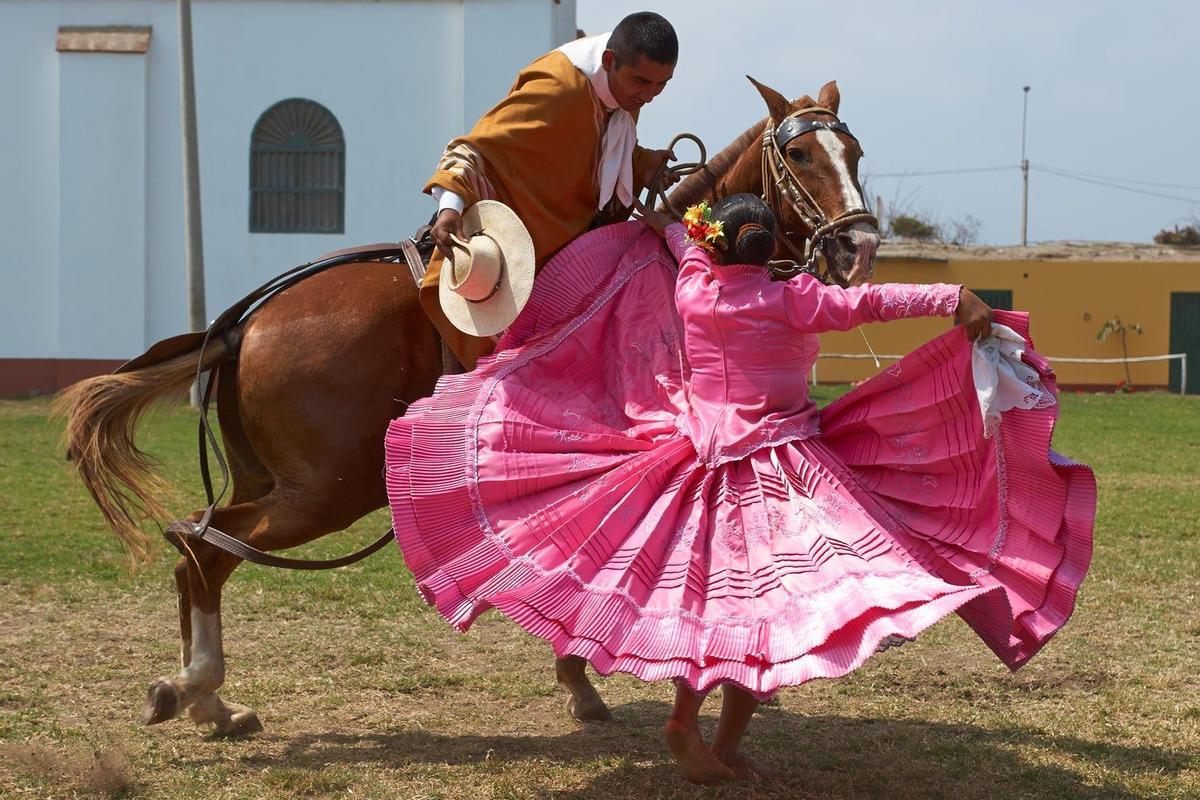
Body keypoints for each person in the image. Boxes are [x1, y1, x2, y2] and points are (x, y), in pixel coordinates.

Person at [383, 196, 1095, 783]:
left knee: (709, 609)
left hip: (695, 456)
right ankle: (715, 742)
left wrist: (663, 220)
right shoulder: (797, 301)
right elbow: (877, 302)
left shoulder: (694, 291)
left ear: (717, 251)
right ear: (767, 252)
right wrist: (955, 296)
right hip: (782, 465)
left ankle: (687, 725)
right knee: (765, 614)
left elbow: (681, 241)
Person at [420, 12, 680, 370]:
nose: (650, 95)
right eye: (642, 82)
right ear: (609, 61)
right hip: (514, 258)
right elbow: (475, 149)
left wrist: (642, 163)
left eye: (661, 85)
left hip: (568, 250)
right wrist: (449, 208)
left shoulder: (624, 93)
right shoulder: (556, 88)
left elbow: (592, 152)